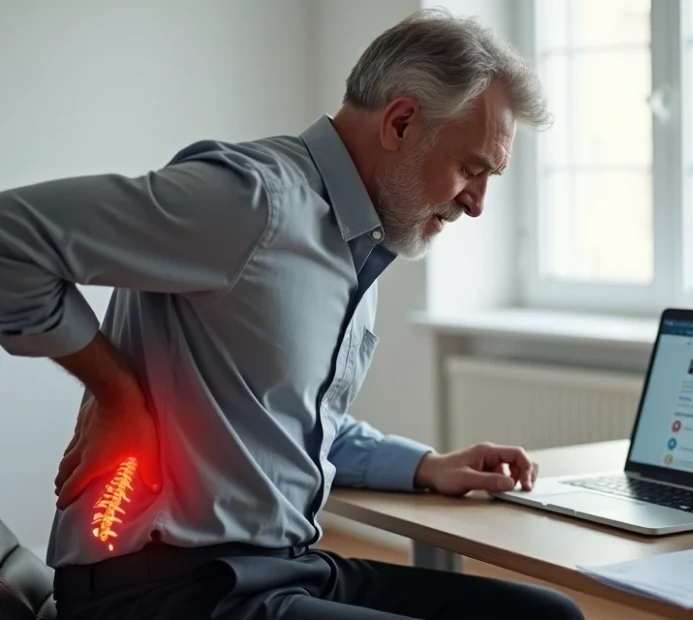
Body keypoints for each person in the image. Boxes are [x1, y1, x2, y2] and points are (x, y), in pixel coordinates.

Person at [0, 8, 585, 620]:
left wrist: (427, 466)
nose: (479, 203)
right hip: (159, 588)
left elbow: (288, 423)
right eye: (472, 169)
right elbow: (11, 238)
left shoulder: (358, 241)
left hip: (282, 569)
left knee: (549, 615)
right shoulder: (250, 201)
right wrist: (118, 395)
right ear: (402, 122)